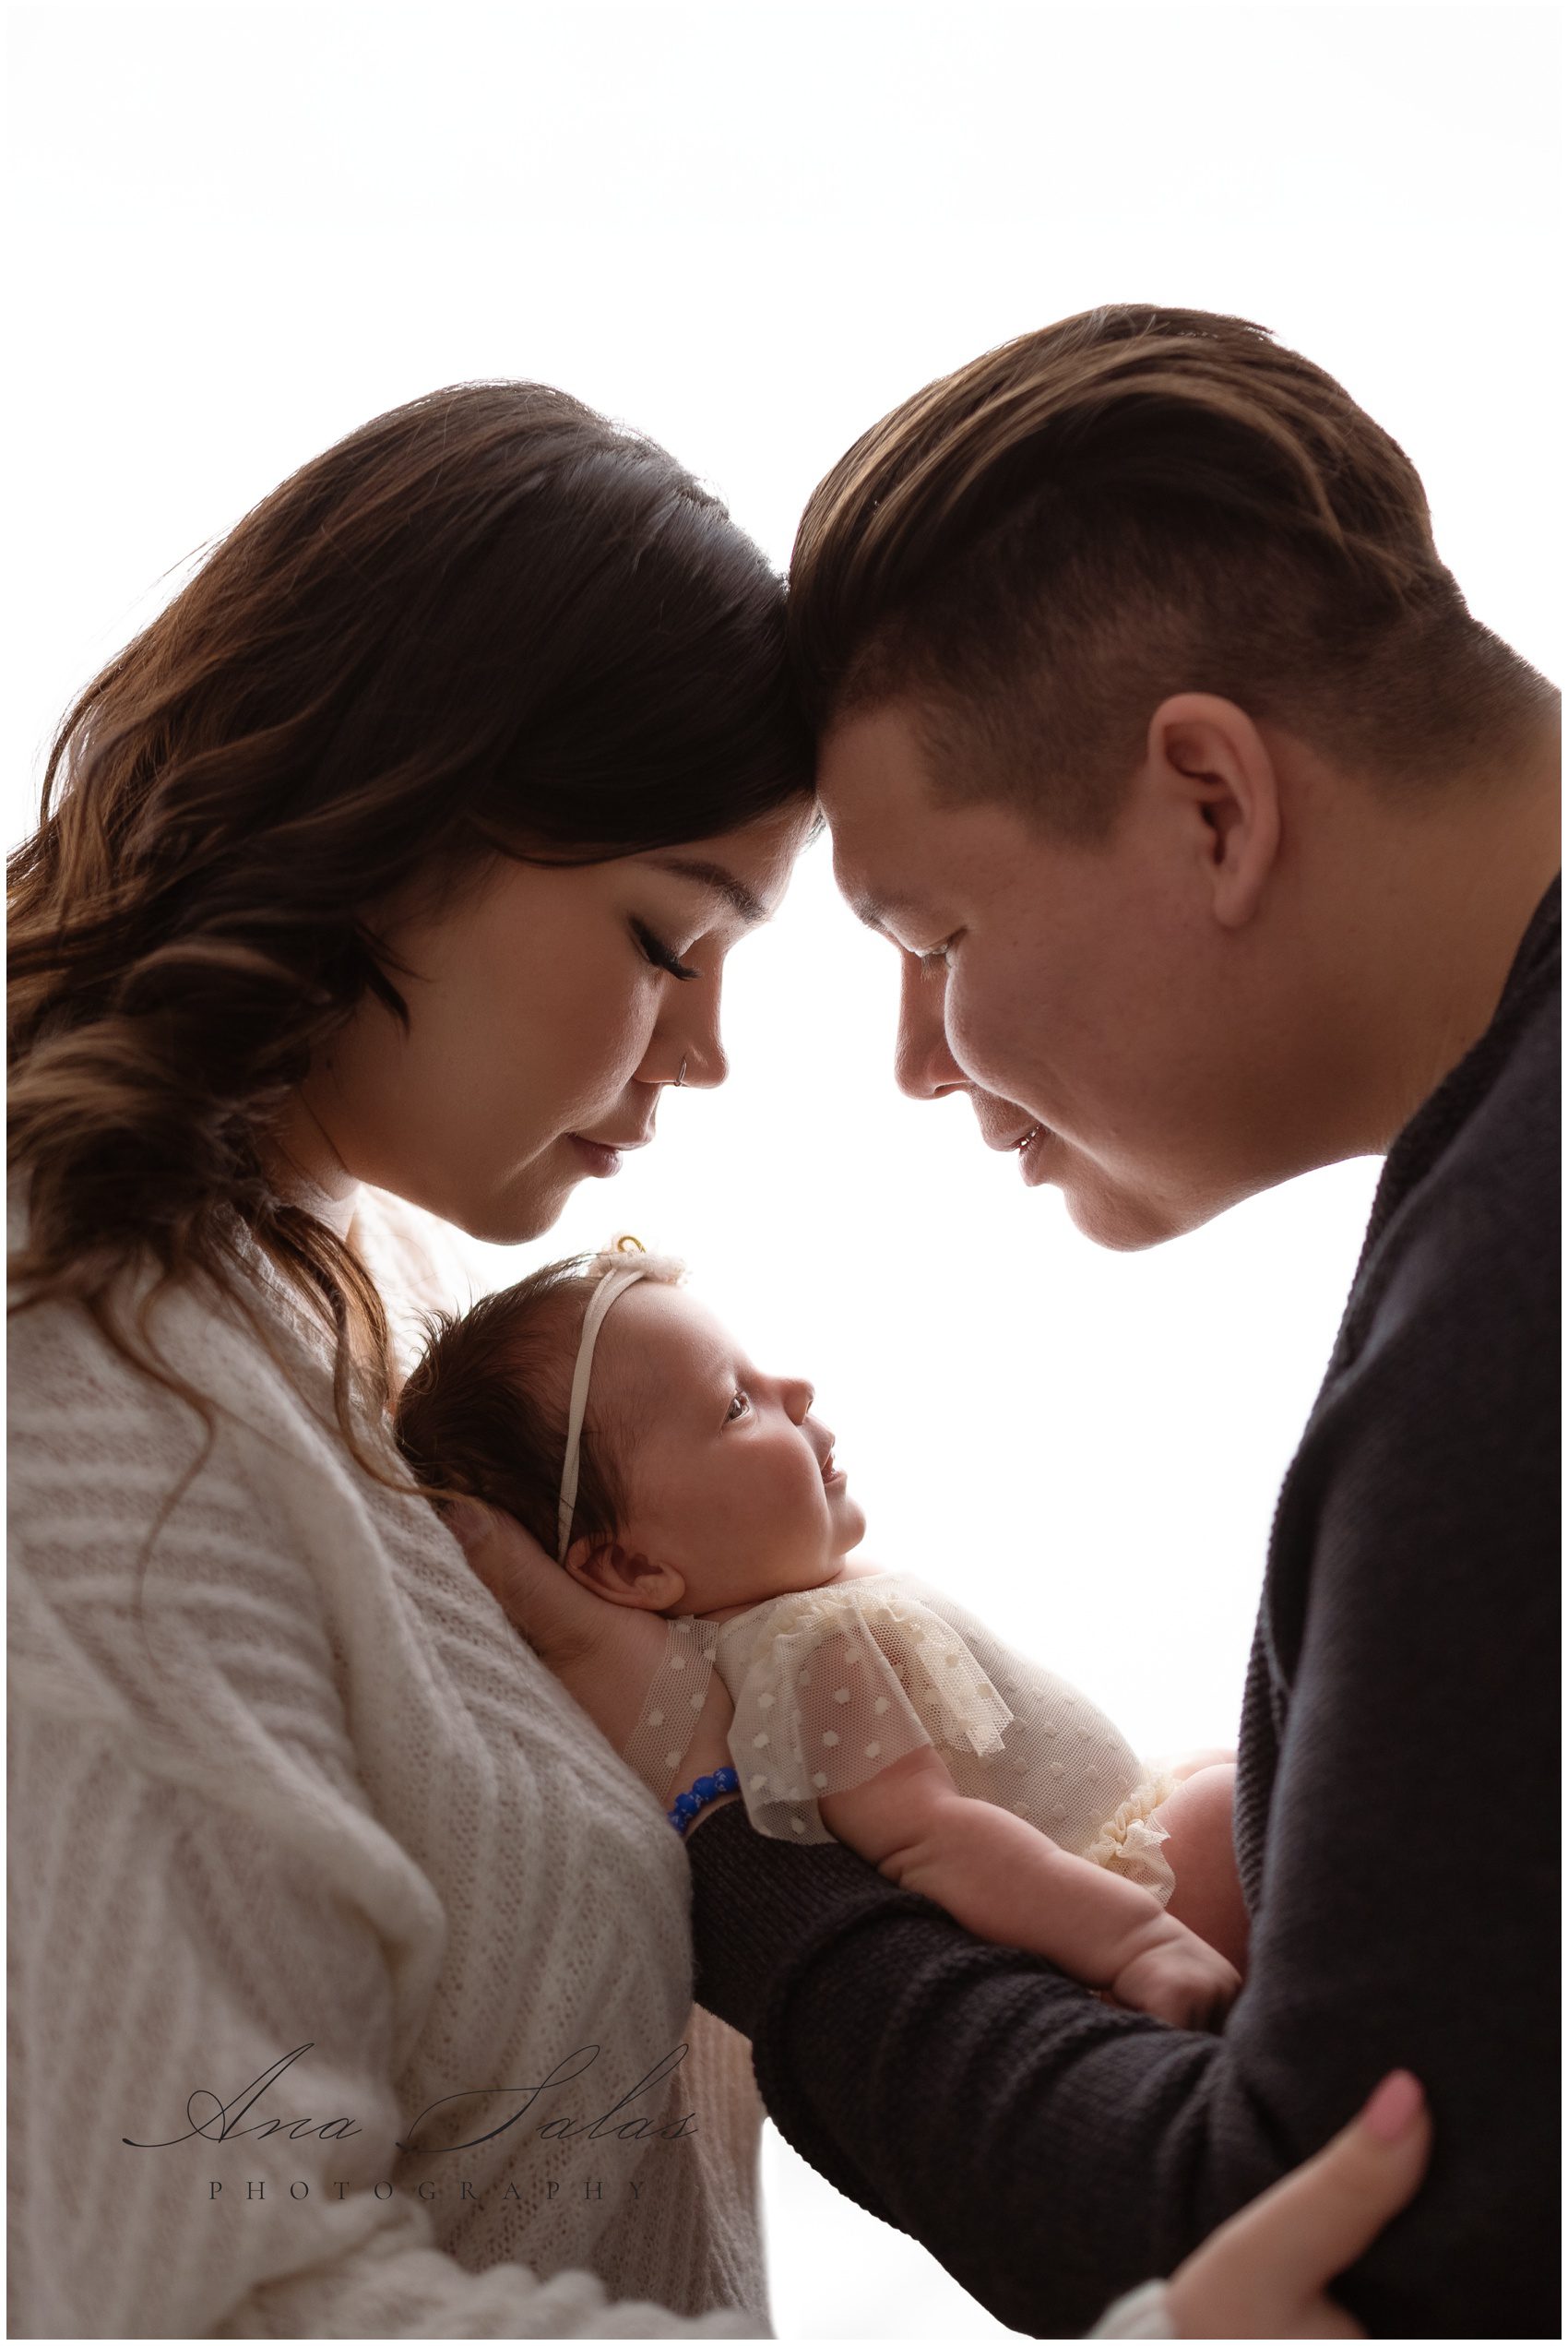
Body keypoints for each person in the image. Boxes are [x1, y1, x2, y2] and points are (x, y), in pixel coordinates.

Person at [456, 305, 1561, 2339]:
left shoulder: (1512, 1313)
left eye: (929, 936)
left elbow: (1323, 2238)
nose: (914, 1057)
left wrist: (731, 1848)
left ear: (1210, 800)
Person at [6, 380, 818, 2338]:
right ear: (398, 825)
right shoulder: (90, 1415)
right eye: (663, 934)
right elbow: (196, 2298)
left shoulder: (321, 1282)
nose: (702, 1051)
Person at [392, 1241, 1246, 2029]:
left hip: (1117, 1864)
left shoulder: (804, 1610)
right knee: (1236, 1800)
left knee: (1236, 1777)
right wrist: (1140, 1943)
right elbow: (931, 1841)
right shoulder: (807, 1652)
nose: (796, 1390)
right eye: (735, 1404)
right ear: (630, 1567)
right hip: (1105, 1922)